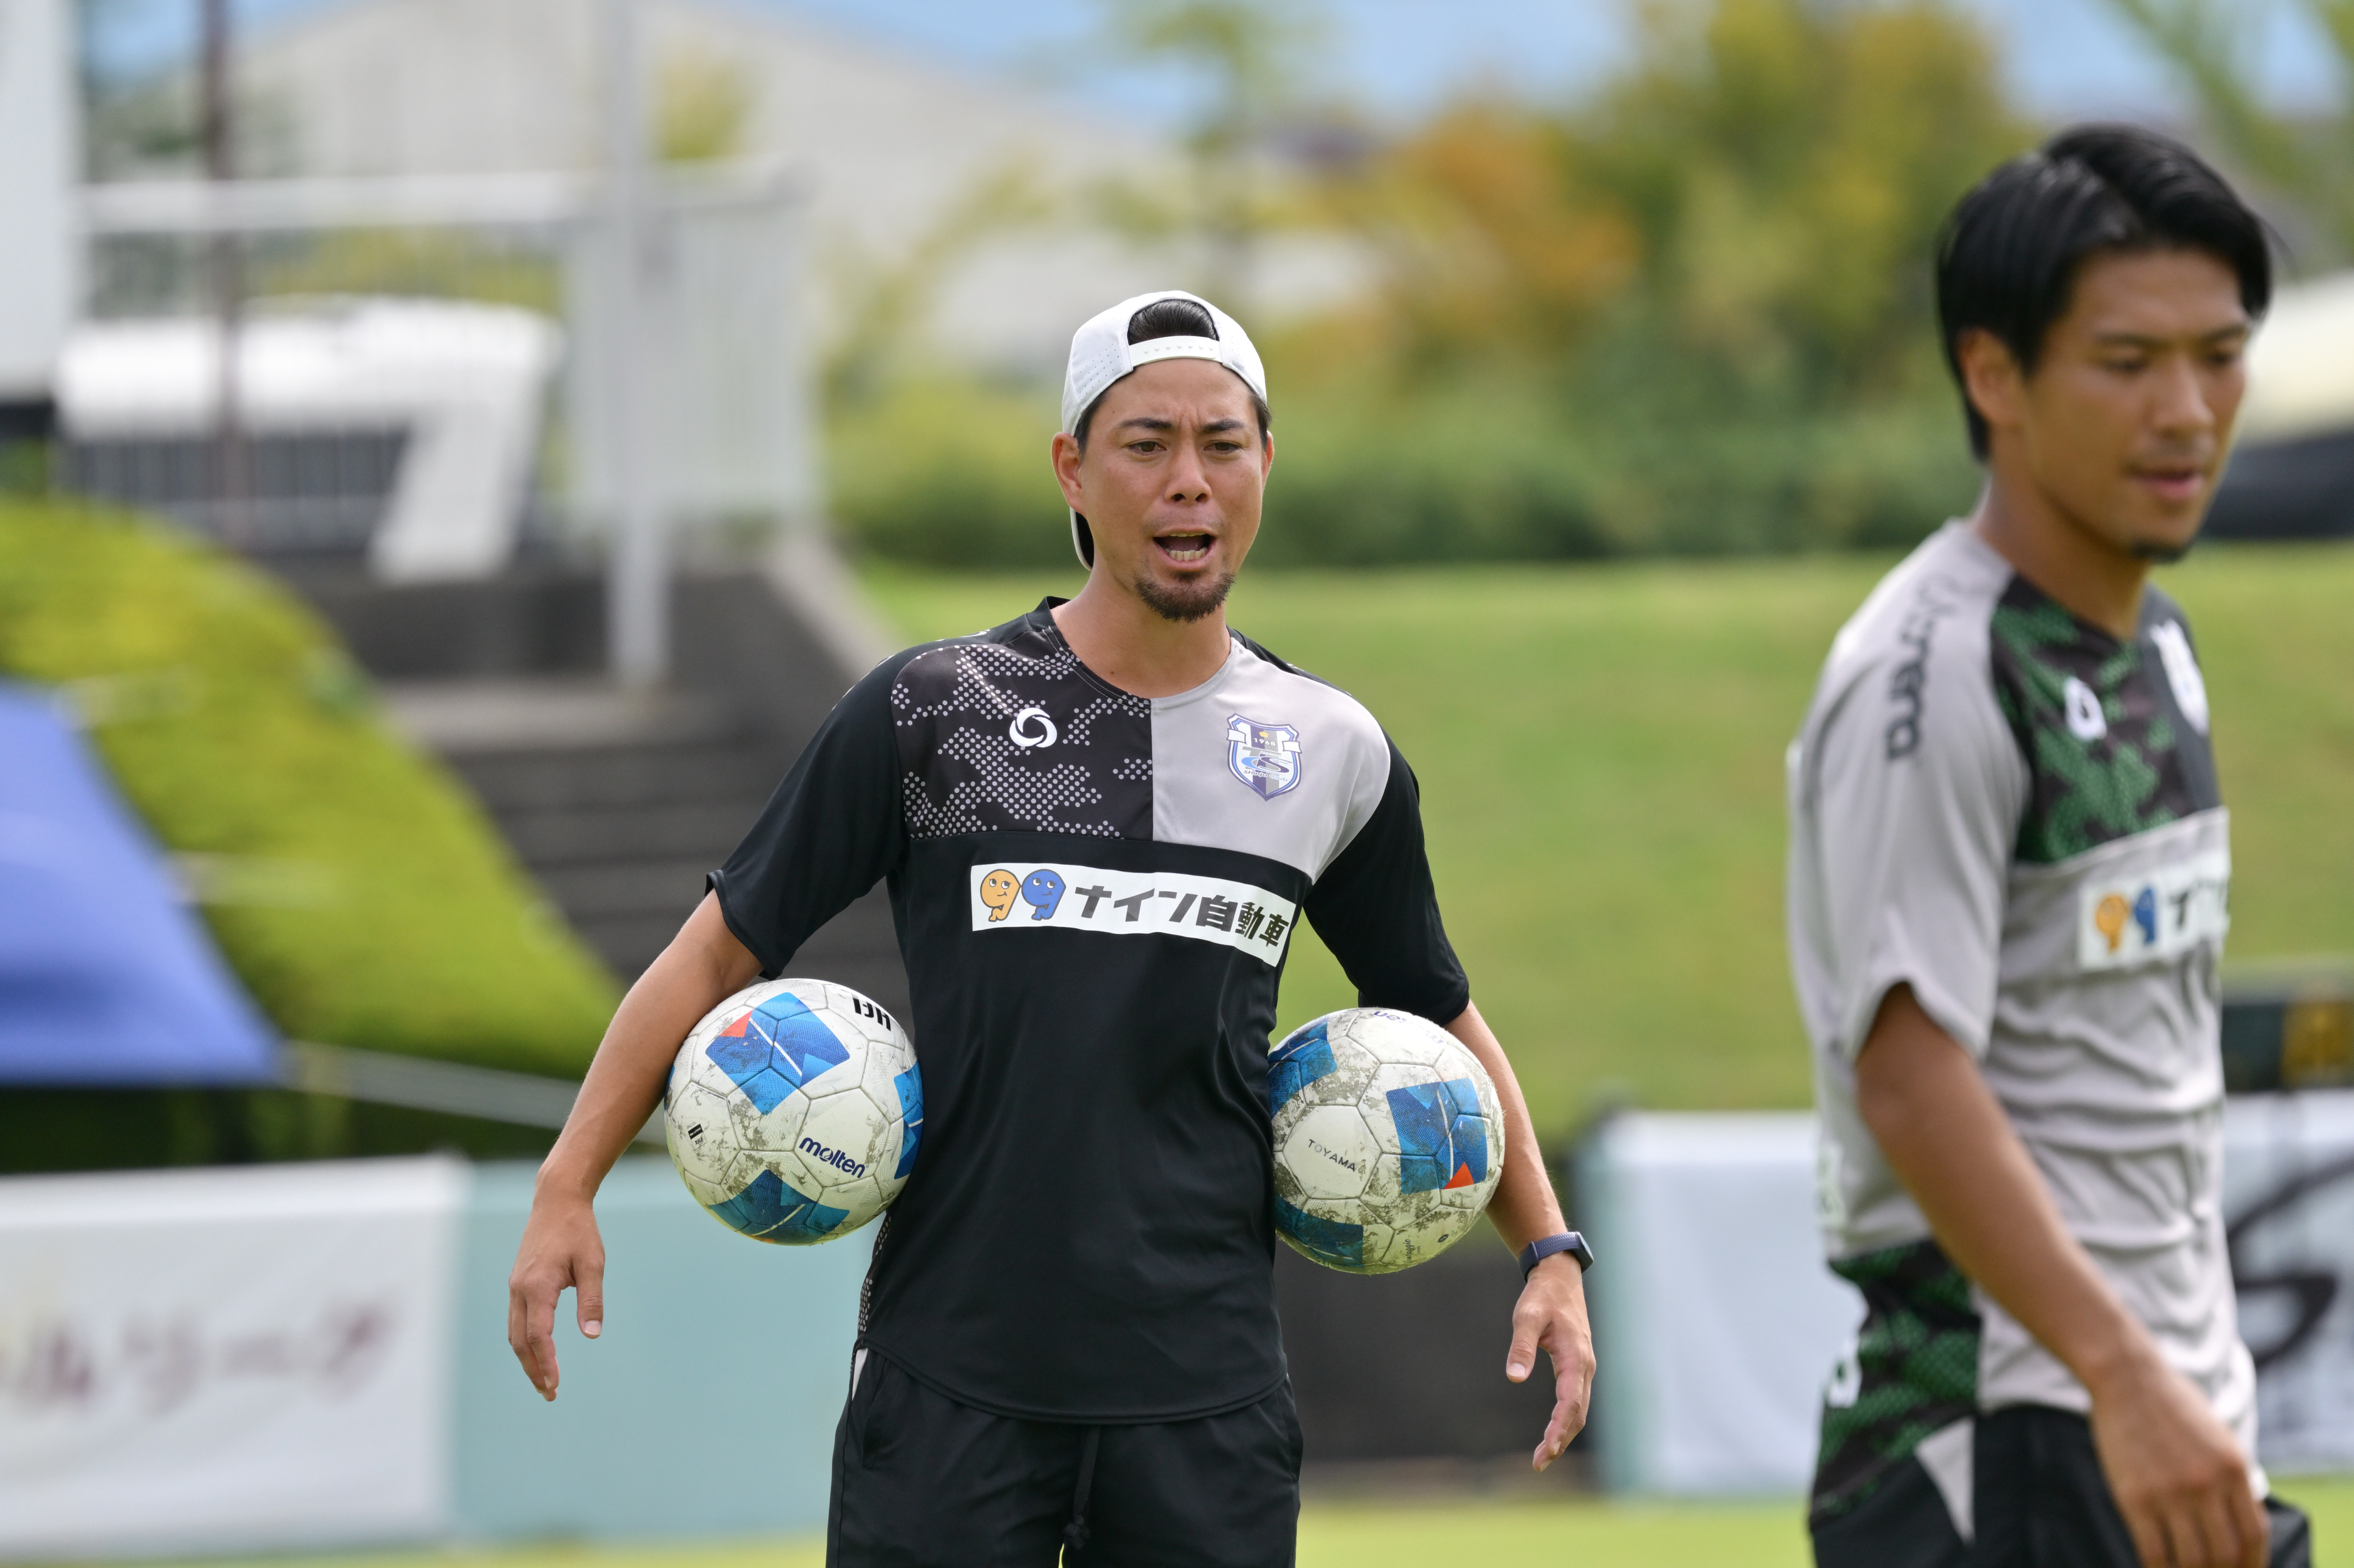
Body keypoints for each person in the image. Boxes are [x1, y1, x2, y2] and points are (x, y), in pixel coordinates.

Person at [506, 289, 1596, 1565]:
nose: (1188, 480)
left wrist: (1549, 1246)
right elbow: (715, 950)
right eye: (1145, 444)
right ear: (1072, 470)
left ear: (1264, 463)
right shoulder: (933, 712)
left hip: (1207, 1400)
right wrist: (566, 1182)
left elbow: (1435, 1015)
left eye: (1221, 443)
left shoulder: (1332, 750)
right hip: (950, 1382)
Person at [1787, 125, 2309, 1568]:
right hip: (2010, 1429)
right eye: (2126, 362)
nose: (2185, 410)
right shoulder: (1935, 668)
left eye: (2217, 356)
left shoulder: (2154, 641)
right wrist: (2117, 1372)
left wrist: (2164, 1382)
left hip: (2162, 1419)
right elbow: (1907, 1072)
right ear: (1992, 374)